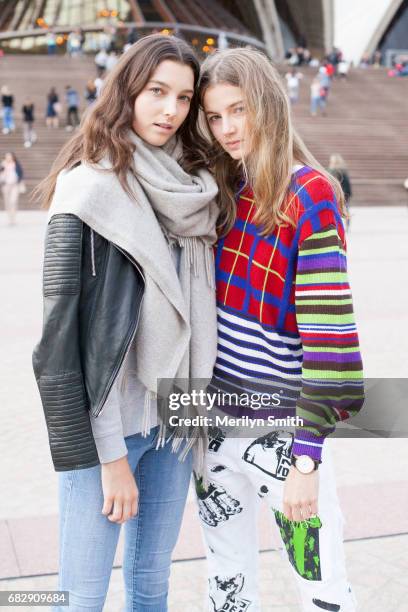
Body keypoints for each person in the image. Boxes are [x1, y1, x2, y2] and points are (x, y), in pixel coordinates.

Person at [31, 34, 218, 612]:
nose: (170, 110)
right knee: (81, 597)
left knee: (151, 587)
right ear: (127, 91)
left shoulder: (194, 190)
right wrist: (109, 459)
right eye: (157, 92)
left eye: (184, 98)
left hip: (173, 426)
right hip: (104, 436)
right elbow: (61, 345)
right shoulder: (85, 190)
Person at [197, 47, 364, 611]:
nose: (227, 129)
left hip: (285, 436)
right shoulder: (222, 191)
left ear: (267, 103)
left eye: (238, 110)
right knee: (228, 589)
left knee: (323, 593)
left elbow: (329, 341)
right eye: (215, 117)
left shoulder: (310, 195)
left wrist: (307, 461)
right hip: (212, 428)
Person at [328, 154, 352, 230]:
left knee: (335, 211)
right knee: (345, 210)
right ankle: (347, 225)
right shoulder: (343, 171)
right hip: (344, 194)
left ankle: (336, 226)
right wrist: (348, 194)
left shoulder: (331, 171)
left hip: (335, 194)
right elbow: (347, 184)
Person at [0, 152, 24, 225]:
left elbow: (21, 173)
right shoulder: (3, 164)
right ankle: (10, 218)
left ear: (13, 157)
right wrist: (3, 166)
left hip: (15, 185)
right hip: (6, 185)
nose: (8, 158)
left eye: (10, 156)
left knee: (13, 201)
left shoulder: (16, 164)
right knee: (7, 202)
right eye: (7, 156)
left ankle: (13, 217)